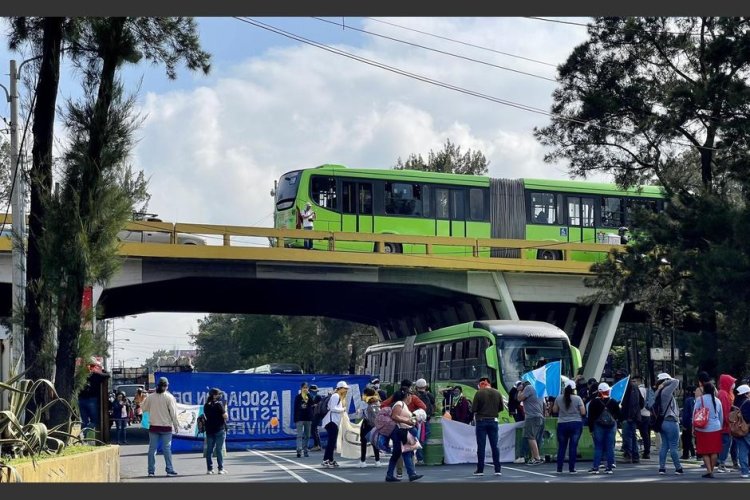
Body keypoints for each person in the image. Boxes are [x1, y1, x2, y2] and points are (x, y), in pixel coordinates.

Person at [141, 376, 180, 477]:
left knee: (152, 449)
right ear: (166, 386)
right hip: (166, 427)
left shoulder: (150, 397)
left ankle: (151, 471)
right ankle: (169, 470)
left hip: (153, 426)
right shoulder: (169, 397)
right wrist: (176, 424)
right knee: (167, 449)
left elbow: (143, 408)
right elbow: (173, 413)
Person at [385, 387, 423, 482]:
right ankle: (411, 474)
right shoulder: (399, 404)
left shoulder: (404, 405)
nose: (412, 398)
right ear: (407, 395)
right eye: (411, 396)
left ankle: (389, 475)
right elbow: (395, 416)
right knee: (406, 452)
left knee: (397, 454)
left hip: (403, 432)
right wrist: (408, 421)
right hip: (401, 432)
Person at [471, 377, 504, 476]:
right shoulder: (497, 393)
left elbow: (474, 409)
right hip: (493, 421)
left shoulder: (479, 393)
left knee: (481, 446)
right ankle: (497, 469)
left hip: (481, 421)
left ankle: (480, 470)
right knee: (495, 446)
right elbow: (501, 408)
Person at [586, 382, 622, 474]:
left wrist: (591, 429)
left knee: (598, 447)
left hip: (598, 426)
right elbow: (619, 415)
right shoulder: (613, 401)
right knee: (610, 447)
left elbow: (590, 417)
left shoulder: (593, 402)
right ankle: (609, 468)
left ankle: (596, 467)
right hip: (611, 426)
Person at [653, 372, 683, 475]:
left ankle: (662, 468)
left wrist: (661, 385)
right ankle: (678, 468)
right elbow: (676, 381)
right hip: (671, 421)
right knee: (673, 446)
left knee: (664, 446)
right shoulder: (666, 391)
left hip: (661, 422)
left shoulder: (657, 392)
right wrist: (666, 382)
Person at [553, 379, 586, 473]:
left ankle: (559, 468)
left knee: (562, 447)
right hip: (576, 423)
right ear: (574, 389)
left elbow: (554, 411)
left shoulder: (558, 398)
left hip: (562, 423)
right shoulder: (578, 398)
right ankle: (572, 468)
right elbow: (583, 412)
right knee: (573, 446)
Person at [693, 382, 723, 478]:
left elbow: (694, 414)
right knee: (714, 451)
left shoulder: (699, 399)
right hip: (716, 428)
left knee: (704, 451)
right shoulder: (717, 401)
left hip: (702, 429)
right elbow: (721, 416)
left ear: (704, 390)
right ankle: (712, 470)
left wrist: (693, 427)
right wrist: (720, 426)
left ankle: (709, 471)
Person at [321, 381, 349, 468]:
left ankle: (330, 459)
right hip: (330, 421)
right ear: (340, 388)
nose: (346, 390)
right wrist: (342, 409)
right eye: (345, 388)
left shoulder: (338, 396)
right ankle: (326, 460)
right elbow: (333, 408)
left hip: (333, 422)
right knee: (331, 442)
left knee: (332, 442)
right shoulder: (335, 396)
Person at [517, 380, 545, 465]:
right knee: (534, 438)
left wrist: (520, 390)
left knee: (530, 437)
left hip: (532, 417)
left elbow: (519, 399)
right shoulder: (538, 389)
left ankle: (537, 457)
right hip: (540, 416)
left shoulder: (529, 388)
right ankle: (533, 457)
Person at [619, 371, 644, 463]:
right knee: (632, 436)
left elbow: (634, 403)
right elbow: (641, 403)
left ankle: (629, 455)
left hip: (628, 416)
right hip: (632, 416)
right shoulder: (633, 387)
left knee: (628, 436)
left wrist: (630, 415)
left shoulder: (629, 388)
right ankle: (634, 455)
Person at [203, 387, 228, 475]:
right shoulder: (219, 404)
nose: (220, 395)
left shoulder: (206, 405)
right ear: (214, 395)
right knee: (219, 449)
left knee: (209, 450)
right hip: (219, 429)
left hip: (209, 430)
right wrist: (225, 411)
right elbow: (225, 416)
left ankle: (209, 469)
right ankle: (220, 469)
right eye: (219, 394)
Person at [716, 373, 737, 473]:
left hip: (723, 424)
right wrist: (728, 422)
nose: (733, 384)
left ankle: (721, 463)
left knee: (724, 444)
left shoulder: (723, 393)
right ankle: (721, 464)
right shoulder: (724, 394)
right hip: (725, 425)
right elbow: (724, 411)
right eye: (732, 382)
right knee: (726, 444)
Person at [358, 387, 382, 468]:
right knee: (375, 442)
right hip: (376, 425)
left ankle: (363, 461)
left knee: (363, 442)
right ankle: (377, 461)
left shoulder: (364, 402)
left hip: (366, 424)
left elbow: (360, 415)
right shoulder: (377, 402)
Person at [413, 378, 435, 465]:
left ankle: (419, 458)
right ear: (426, 386)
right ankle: (422, 457)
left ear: (416, 387)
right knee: (423, 438)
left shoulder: (414, 396)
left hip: (415, 420)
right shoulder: (429, 396)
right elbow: (433, 405)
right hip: (426, 420)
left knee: (416, 439)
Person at [732, 384, 750, 479]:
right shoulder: (747, 403)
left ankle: (744, 471)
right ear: (746, 393)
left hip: (737, 430)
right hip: (747, 430)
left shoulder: (735, 404)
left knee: (742, 451)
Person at [293, 382, 314, 458]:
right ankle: (299, 450)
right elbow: (295, 408)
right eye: (304, 388)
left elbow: (312, 403)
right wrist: (295, 419)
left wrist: (308, 394)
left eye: (306, 387)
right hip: (299, 418)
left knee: (307, 435)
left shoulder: (309, 396)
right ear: (301, 388)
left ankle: (305, 450)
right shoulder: (298, 397)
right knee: (299, 435)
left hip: (308, 418)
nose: (305, 389)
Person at [634, 375, 652, 459]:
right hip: (648, 414)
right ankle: (647, 451)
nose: (633, 383)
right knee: (647, 434)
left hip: (642, 414)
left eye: (634, 381)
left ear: (638, 381)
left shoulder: (639, 390)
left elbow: (639, 402)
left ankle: (646, 452)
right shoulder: (647, 389)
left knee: (644, 433)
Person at [680, 386, 696, 460]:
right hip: (694, 421)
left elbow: (686, 413)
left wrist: (684, 423)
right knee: (690, 438)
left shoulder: (688, 400)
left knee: (685, 438)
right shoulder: (695, 399)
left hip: (688, 422)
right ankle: (693, 452)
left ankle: (685, 454)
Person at [308, 384, 322, 451]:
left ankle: (317, 445)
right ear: (310, 391)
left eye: (315, 391)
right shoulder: (308, 397)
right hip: (311, 415)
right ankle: (318, 445)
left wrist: (315, 405)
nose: (314, 392)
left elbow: (320, 405)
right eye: (312, 391)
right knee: (314, 430)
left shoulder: (319, 397)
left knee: (313, 429)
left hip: (317, 415)